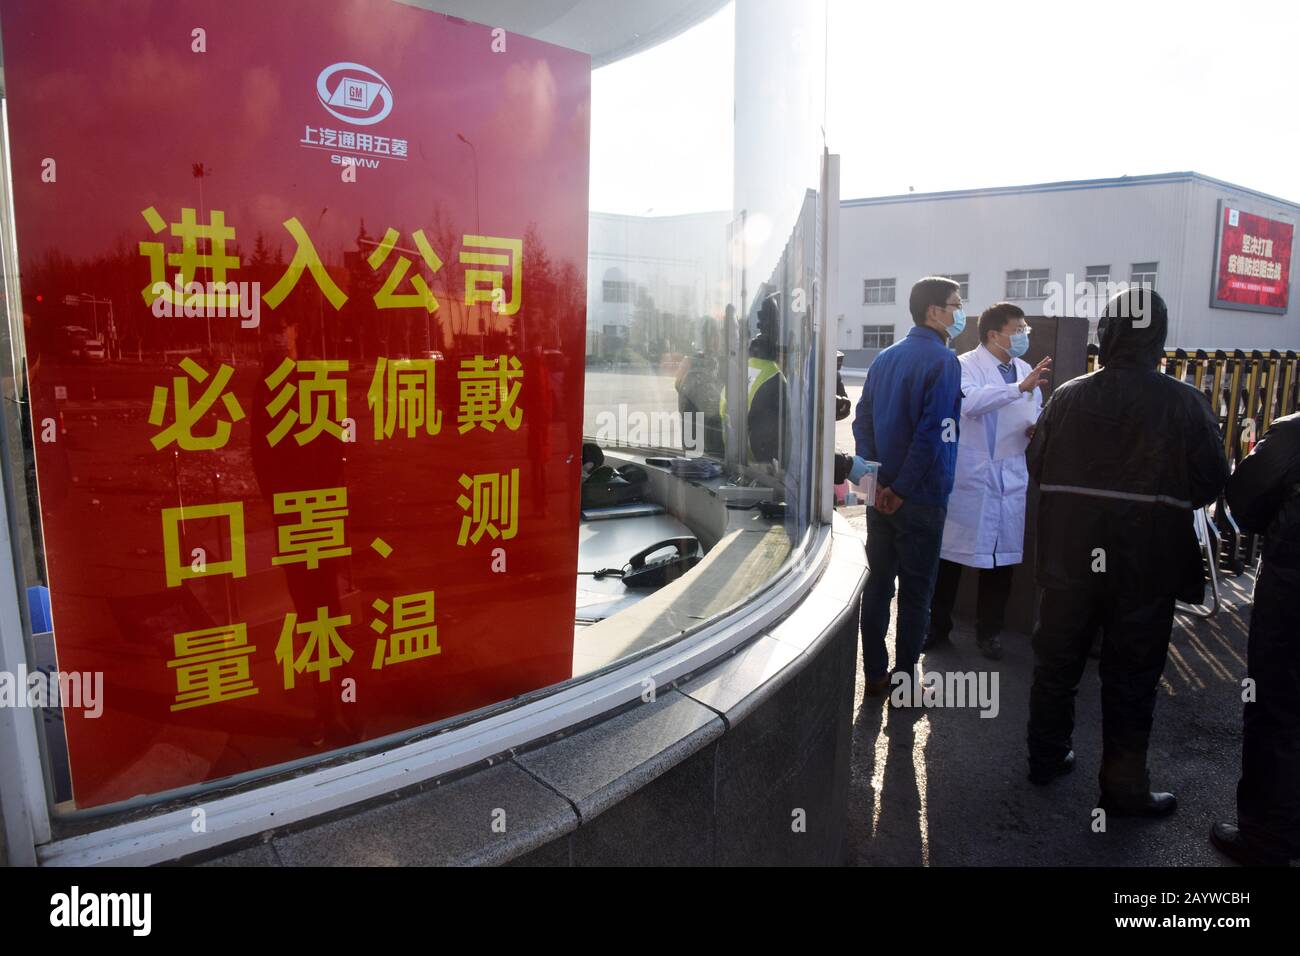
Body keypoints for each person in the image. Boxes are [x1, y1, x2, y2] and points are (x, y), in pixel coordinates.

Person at [1024, 289, 1229, 814]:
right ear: (1158, 337)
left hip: (1068, 560)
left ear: (1106, 333)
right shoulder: (1184, 403)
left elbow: (1036, 466)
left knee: (1056, 665)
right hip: (1146, 567)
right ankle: (1122, 789)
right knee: (1132, 678)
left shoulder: (1067, 396)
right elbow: (1210, 482)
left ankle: (1045, 758)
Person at [854, 277, 963, 697]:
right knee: (917, 594)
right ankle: (904, 684)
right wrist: (900, 489)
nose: (958, 313)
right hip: (920, 498)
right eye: (954, 305)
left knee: (879, 587)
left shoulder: (884, 358)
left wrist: (875, 482)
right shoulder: (944, 362)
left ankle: (876, 675)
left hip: (880, 495)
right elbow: (933, 433)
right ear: (933, 311)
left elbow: (862, 423)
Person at [927, 303, 1052, 659]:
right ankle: (937, 627)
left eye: (1025, 328)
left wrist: (1035, 425)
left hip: (1009, 475)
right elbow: (970, 403)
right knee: (950, 558)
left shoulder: (1025, 367)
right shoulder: (965, 364)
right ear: (993, 334)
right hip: (973, 477)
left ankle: (989, 633)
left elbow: (1032, 407)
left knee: (1000, 563)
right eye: (1018, 329)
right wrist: (1017, 388)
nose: (1024, 335)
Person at [1211, 413, 1300, 865]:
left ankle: (1269, 837)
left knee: (1276, 712)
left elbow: (1239, 505)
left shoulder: (1292, 432)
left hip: (1291, 591)